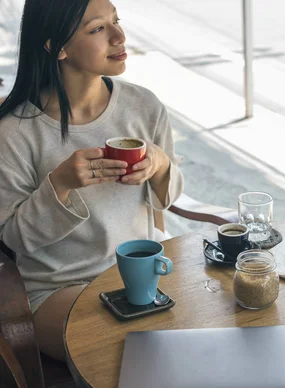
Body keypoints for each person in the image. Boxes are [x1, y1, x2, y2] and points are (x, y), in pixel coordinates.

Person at [0, 0, 184, 362]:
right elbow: (13, 237)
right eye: (98, 29)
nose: (120, 36)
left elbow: (167, 198)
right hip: (60, 289)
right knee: (138, 353)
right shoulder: (14, 133)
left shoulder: (144, 106)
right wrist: (61, 184)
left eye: (116, 21)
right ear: (57, 47)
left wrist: (160, 165)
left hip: (141, 276)